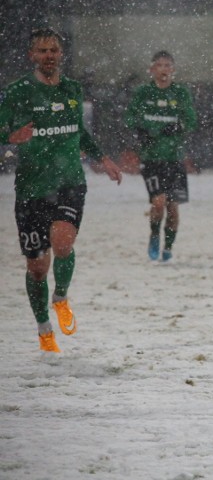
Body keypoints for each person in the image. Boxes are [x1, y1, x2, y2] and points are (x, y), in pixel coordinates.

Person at [0, 27, 123, 353]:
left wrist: (104, 158)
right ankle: (44, 330)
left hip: (69, 183)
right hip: (31, 188)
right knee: (37, 267)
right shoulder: (17, 92)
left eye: (53, 50)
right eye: (42, 51)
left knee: (63, 241)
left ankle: (61, 297)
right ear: (31, 56)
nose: (48, 56)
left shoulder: (72, 89)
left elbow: (78, 132)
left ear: (61, 54)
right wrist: (10, 138)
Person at [124, 51, 198, 262]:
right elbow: (129, 118)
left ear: (173, 69)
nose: (164, 70)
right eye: (159, 65)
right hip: (151, 158)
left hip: (174, 158)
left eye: (167, 66)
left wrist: (178, 125)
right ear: (152, 69)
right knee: (158, 202)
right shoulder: (144, 93)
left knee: (173, 208)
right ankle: (154, 235)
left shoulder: (180, 93)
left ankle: (168, 247)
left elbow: (191, 121)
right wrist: (141, 129)